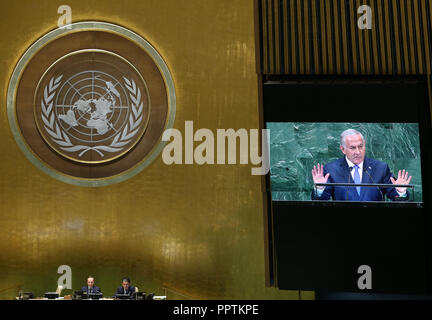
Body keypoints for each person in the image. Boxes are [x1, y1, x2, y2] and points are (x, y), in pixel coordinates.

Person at [311, 129, 412, 201]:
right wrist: (319, 190)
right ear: (343, 149)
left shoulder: (381, 168)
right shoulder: (332, 169)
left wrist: (401, 193)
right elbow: (321, 200)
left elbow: (397, 198)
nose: (358, 152)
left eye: (360, 146)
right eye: (352, 148)